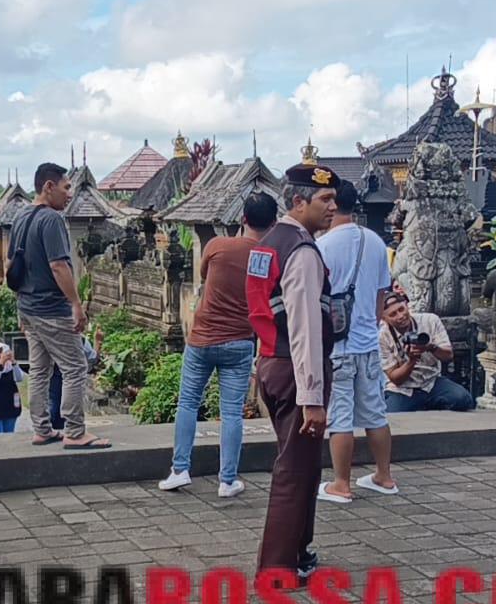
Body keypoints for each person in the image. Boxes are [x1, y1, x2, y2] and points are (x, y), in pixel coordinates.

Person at [247, 163, 338, 581]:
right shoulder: (300, 251)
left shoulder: (267, 244)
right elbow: (304, 328)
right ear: (299, 202)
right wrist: (312, 397)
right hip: (294, 366)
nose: (332, 207)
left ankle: (298, 553)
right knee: (294, 470)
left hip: (272, 361)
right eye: (325, 199)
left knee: (302, 465)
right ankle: (278, 567)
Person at [158, 192, 272, 498]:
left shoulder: (217, 245)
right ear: (273, 223)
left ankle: (180, 470)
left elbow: (205, 274)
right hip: (240, 341)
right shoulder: (265, 257)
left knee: (187, 403)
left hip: (202, 339)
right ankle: (227, 480)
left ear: (243, 219)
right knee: (232, 412)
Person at [11, 162, 110, 449]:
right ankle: (75, 431)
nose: (69, 194)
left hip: (29, 307)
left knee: (40, 370)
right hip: (52, 309)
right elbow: (59, 266)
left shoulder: (20, 217)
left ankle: (42, 429)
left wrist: (20, 306)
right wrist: (76, 304)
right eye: (66, 188)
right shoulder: (51, 220)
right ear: (48, 186)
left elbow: (12, 266)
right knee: (75, 367)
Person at [315, 177, 397, 504]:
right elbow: (381, 296)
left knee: (340, 417)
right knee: (376, 413)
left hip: (338, 345)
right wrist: (369, 325)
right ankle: (384, 476)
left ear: (332, 203)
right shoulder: (375, 242)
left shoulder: (322, 246)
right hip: (367, 342)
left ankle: (341, 484)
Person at [379, 292, 475, 412]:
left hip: (431, 381)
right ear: (384, 319)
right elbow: (395, 378)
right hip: (403, 389)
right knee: (391, 414)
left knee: (463, 399)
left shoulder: (430, 320)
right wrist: (411, 361)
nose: (400, 316)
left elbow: (448, 356)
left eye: (401, 309)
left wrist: (431, 347)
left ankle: (426, 405)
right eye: (393, 314)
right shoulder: (382, 337)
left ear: (406, 305)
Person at [0, 342, 25, 433]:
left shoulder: (10, 366)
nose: (2, 354)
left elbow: (19, 378)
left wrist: (13, 362)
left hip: (10, 404)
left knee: (9, 433)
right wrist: (1, 364)